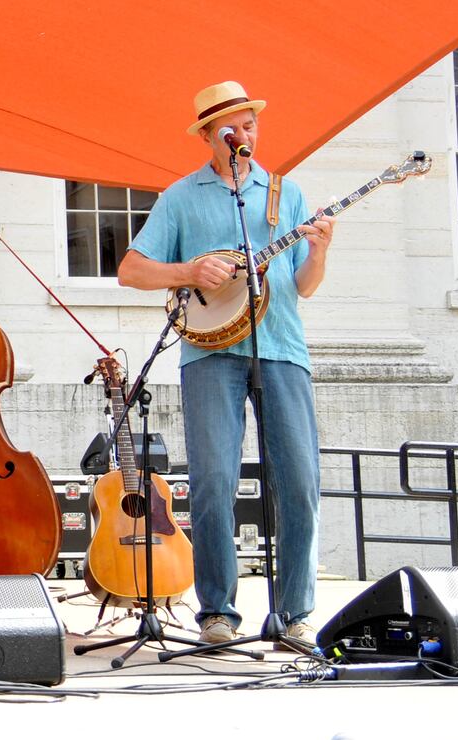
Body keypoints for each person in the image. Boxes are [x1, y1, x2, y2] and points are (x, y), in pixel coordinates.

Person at [116, 81, 335, 647]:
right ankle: (217, 610)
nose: (246, 136)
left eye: (252, 125)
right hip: (209, 353)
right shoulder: (182, 197)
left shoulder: (283, 192)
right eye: (233, 129)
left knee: (300, 481)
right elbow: (132, 269)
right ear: (211, 137)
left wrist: (320, 251)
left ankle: (294, 615)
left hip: (282, 347)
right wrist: (188, 272)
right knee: (214, 483)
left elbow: (305, 288)